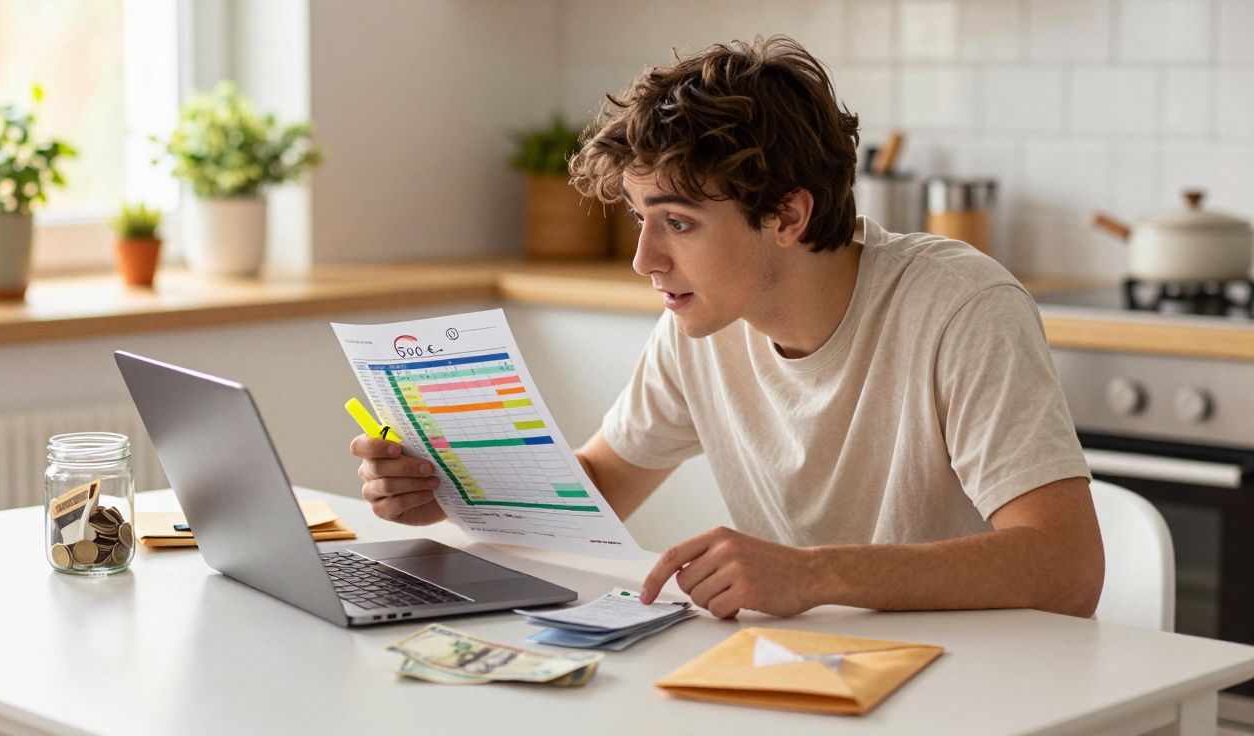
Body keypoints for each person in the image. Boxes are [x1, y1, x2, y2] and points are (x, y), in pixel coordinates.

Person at [351, 35, 1104, 620]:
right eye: (640, 219)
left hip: (978, 679)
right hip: (807, 673)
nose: (646, 259)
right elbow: (603, 485)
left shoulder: (958, 306)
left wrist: (813, 574)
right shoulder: (699, 327)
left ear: (787, 215)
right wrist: (448, 492)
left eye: (678, 222)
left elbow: (1066, 569)